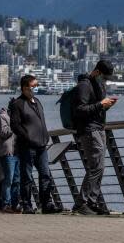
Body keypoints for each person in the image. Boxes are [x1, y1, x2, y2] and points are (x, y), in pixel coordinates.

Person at [72, 60, 118, 215]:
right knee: (96, 167)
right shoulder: (84, 85)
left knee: (100, 167)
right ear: (97, 72)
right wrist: (100, 105)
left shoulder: (98, 85)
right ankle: (81, 203)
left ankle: (92, 201)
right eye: (104, 77)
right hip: (89, 130)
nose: (105, 81)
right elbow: (79, 109)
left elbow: (95, 107)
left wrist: (106, 105)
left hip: (99, 128)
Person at [10, 75, 61, 214]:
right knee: (26, 176)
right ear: (25, 87)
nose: (36, 87)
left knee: (45, 174)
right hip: (27, 146)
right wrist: (27, 137)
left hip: (42, 145)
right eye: (34, 85)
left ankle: (46, 204)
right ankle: (26, 204)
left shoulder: (37, 101)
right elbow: (15, 125)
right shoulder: (18, 104)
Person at [0, 102, 20, 213]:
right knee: (8, 179)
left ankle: (15, 204)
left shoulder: (16, 118)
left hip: (16, 152)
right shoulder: (2, 117)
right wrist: (15, 125)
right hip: (7, 153)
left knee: (16, 180)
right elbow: (4, 133)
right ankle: (6, 204)